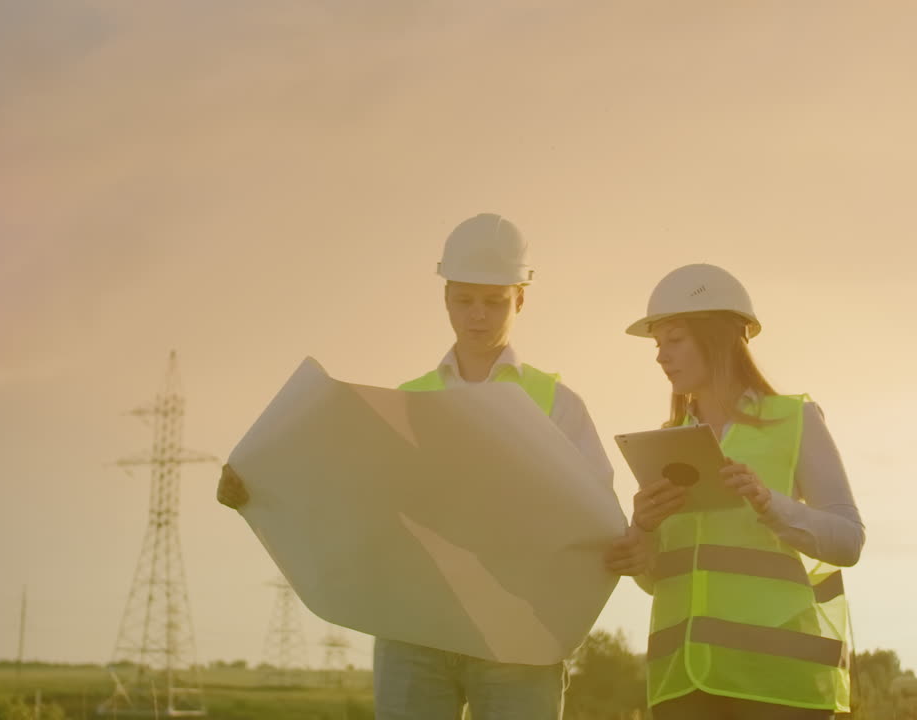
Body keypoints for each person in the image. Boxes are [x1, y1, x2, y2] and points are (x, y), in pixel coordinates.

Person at [219, 213, 646, 719]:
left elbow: (595, 518)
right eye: (464, 299)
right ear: (445, 298)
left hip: (518, 639)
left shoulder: (557, 403)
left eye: (494, 301)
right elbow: (351, 496)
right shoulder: (408, 400)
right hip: (413, 631)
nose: (478, 315)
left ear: (521, 299)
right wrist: (262, 487)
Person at [621, 263, 865, 719]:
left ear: (718, 338)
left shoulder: (794, 421)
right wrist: (644, 529)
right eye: (658, 345)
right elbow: (655, 581)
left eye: (675, 340)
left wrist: (769, 504)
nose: (661, 356)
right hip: (683, 682)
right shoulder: (665, 444)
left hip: (778, 681)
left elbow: (848, 541)